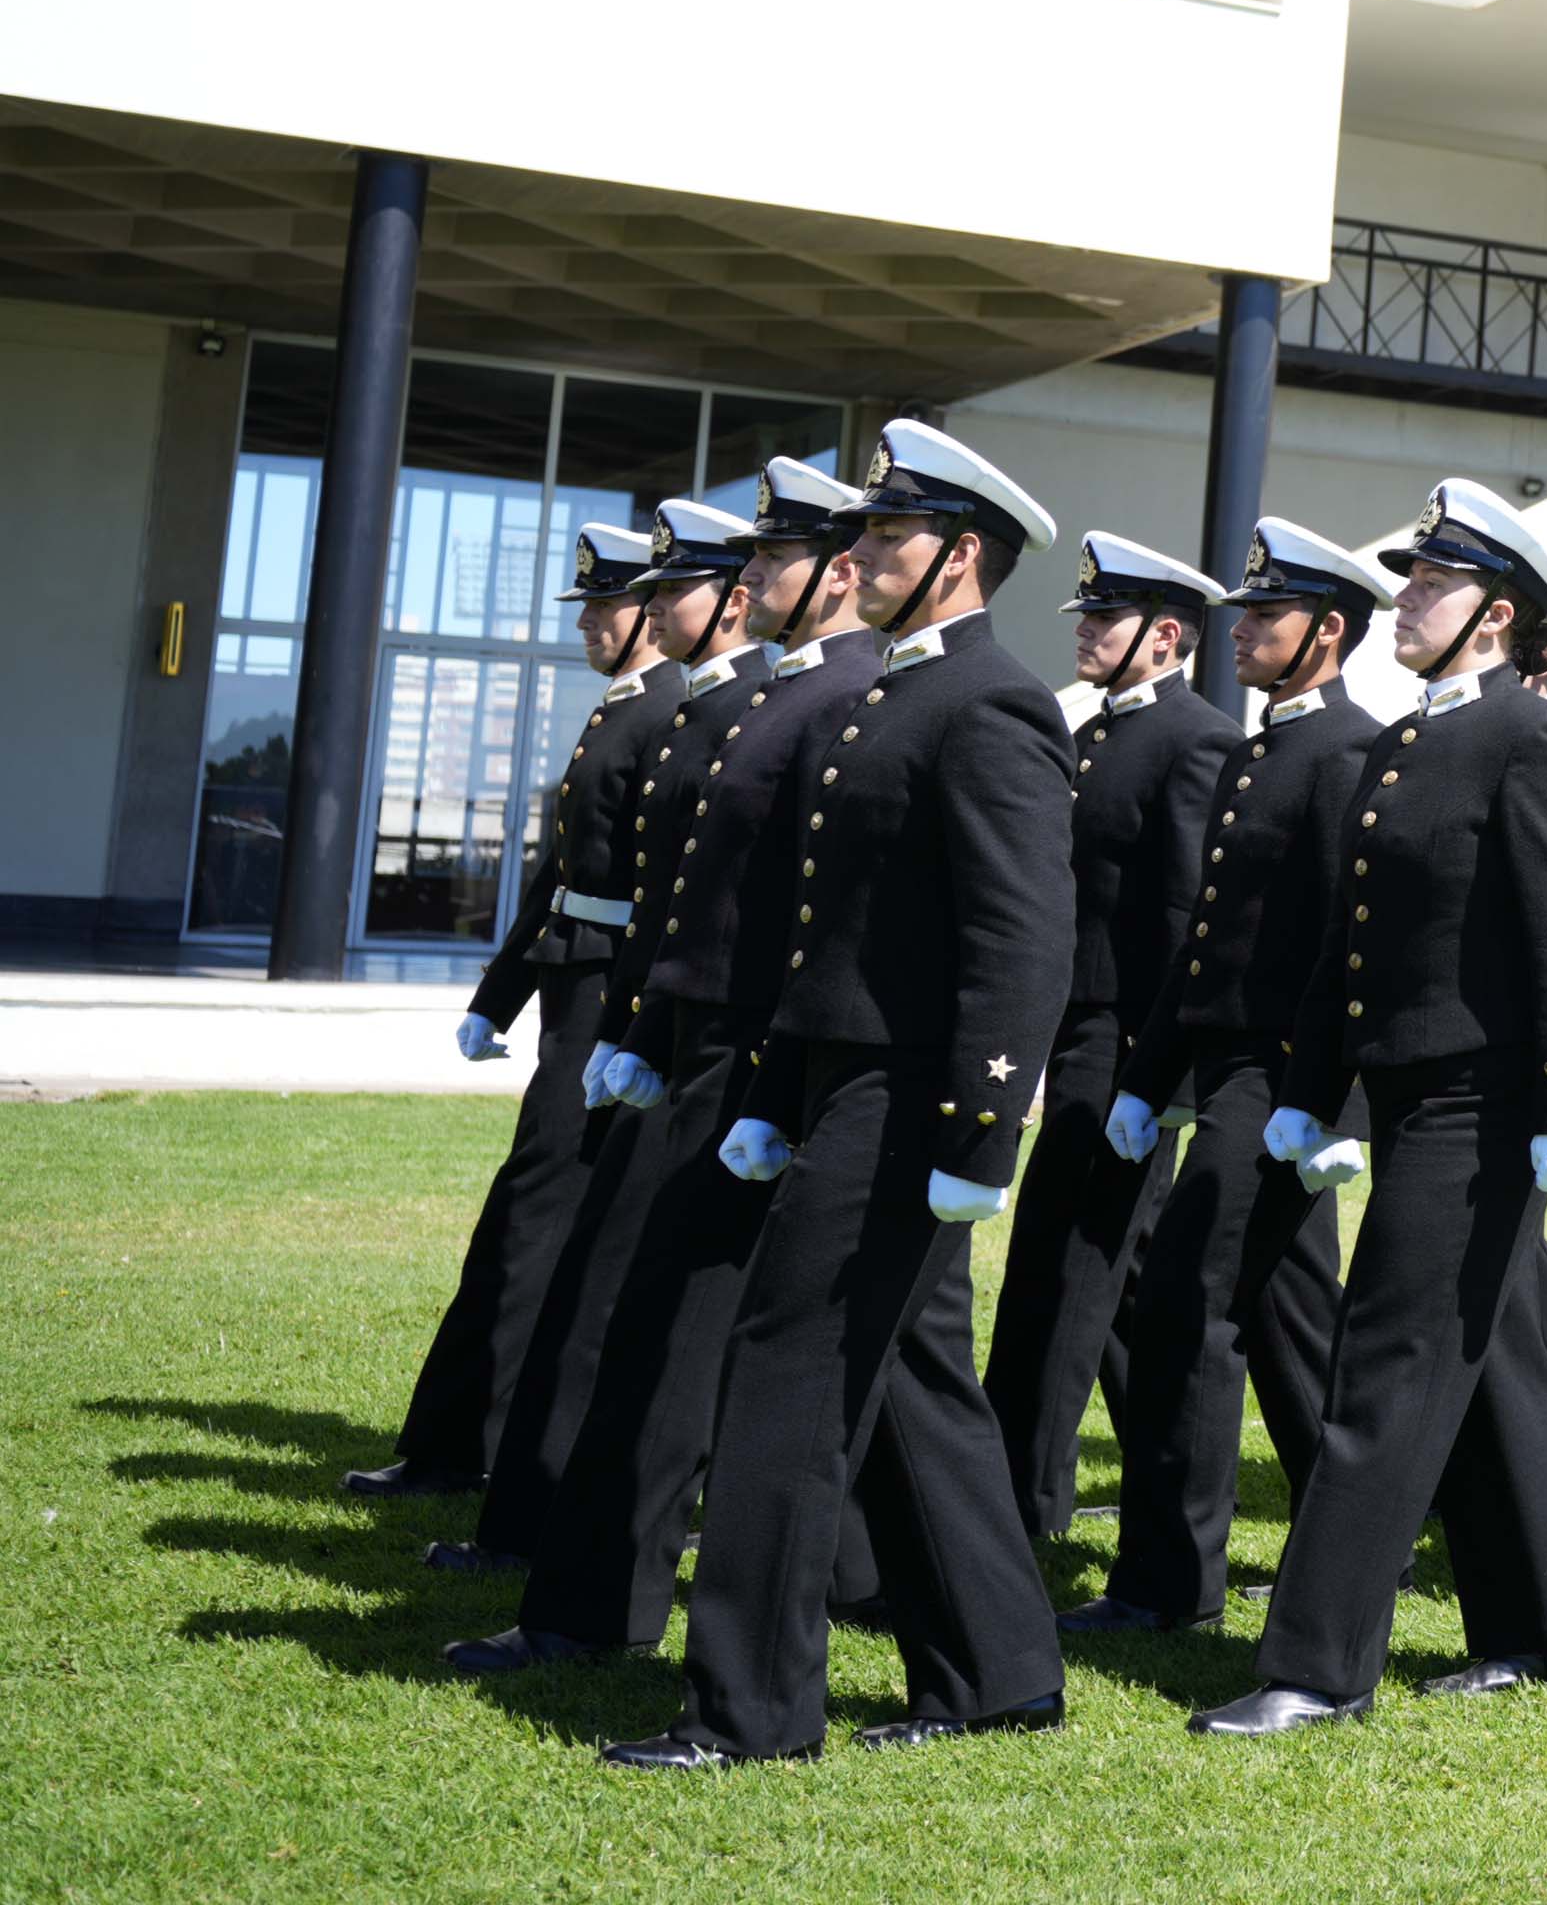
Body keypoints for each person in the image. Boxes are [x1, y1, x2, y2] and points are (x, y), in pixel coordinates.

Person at [607, 422, 1076, 1770]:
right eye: (862, 532)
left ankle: (750, 1711)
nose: (861, 553)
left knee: (788, 1373)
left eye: (888, 534)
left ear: (960, 555)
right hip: (837, 1077)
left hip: (911, 1094)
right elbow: (833, 930)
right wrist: (775, 1087)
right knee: (916, 1385)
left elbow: (1021, 935)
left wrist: (984, 1127)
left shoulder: (990, 703)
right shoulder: (891, 695)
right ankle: (998, 1673)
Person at [1188, 483, 1547, 1736]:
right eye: (1411, 579)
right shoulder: (1403, 743)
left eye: (1434, 584)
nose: (1407, 599)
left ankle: (1318, 1668)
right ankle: (1545, 1630)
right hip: (1403, 1089)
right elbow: (1354, 942)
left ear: (1496, 615)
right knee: (1485, 1367)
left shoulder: (1538, 740)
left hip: (1484, 1103)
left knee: (1387, 1363)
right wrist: (1313, 1091)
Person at [445, 477, 857, 1677]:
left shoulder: (828, 701)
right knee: (661, 1323)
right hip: (694, 1040)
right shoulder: (764, 698)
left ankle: (597, 1605)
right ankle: (965, 1639)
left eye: (767, 561)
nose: (747, 580)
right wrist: (633, 1023)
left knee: (695, 1333)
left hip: (766, 1060)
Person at [1067, 518, 1376, 1637]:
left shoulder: (1351, 753)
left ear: (1327, 631)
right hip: (1228, 1063)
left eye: (1266, 614)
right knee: (1291, 1320)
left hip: (1287, 1075)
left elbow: (1358, 947)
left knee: (1188, 1304)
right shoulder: (1258, 752)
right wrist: (1148, 1078)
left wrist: (1335, 1105)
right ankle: (1364, 1528)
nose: (1239, 631)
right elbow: (1203, 944)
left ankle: (1168, 1587)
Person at [355, 520, 679, 1512]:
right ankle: (464, 1441)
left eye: (605, 606)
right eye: (588, 608)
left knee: (540, 1220)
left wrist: (627, 1023)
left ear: (653, 611)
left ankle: (482, 1446)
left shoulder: (668, 715)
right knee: (525, 1215)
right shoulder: (622, 710)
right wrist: (498, 995)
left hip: (614, 1001)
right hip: (576, 990)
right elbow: (558, 875)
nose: (588, 624)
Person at [985, 535, 1237, 1539]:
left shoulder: (1195, 740)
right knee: (1117, 1276)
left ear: (1165, 635)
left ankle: (1018, 1505)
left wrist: (1158, 1071)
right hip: (1076, 1028)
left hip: (1125, 1038)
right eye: (1085, 615)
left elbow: (1185, 921)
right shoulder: (1095, 734)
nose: (1084, 630)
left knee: (1061, 1270)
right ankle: (1159, 1478)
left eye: (1104, 617)